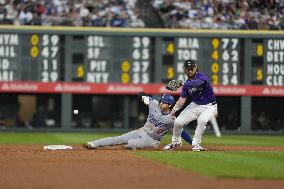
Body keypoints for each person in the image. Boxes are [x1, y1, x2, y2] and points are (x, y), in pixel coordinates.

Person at [84, 94, 192, 150]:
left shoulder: (171, 119)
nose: (161, 103)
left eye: (164, 102)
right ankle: (94, 144)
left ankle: (134, 145)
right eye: (161, 101)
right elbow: (142, 95)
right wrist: (143, 96)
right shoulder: (154, 103)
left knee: (129, 144)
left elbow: (183, 133)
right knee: (120, 138)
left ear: (169, 105)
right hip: (142, 131)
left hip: (152, 140)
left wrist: (193, 143)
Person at [165, 59, 218, 151]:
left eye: (192, 68)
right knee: (178, 122)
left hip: (209, 106)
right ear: (185, 70)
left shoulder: (201, 76)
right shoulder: (186, 85)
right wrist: (173, 111)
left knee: (202, 120)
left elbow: (197, 83)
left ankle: (196, 144)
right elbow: (181, 100)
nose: (190, 71)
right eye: (188, 69)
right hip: (195, 105)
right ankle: (176, 142)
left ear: (196, 68)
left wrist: (183, 83)